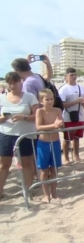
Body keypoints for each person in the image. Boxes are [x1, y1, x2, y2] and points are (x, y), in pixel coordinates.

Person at [0, 72, 39, 200]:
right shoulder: (2, 98)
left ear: (20, 82)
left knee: (27, 163)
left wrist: (24, 117)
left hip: (25, 134)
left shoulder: (29, 97)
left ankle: (28, 190)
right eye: (10, 83)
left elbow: (38, 116)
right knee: (4, 164)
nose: (12, 85)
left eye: (15, 82)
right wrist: (2, 118)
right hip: (6, 133)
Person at [35, 89, 64, 203]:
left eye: (52, 99)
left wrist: (61, 124)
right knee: (44, 171)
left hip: (56, 142)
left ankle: (54, 193)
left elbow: (61, 125)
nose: (50, 101)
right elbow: (38, 127)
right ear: (41, 101)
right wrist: (54, 125)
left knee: (54, 170)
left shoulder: (57, 110)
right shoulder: (40, 111)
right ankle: (46, 194)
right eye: (47, 99)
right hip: (43, 144)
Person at [59, 68, 84, 164]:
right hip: (68, 116)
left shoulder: (81, 88)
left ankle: (76, 156)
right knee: (67, 139)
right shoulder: (63, 89)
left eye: (75, 75)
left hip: (80, 115)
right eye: (71, 75)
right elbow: (62, 104)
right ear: (66, 77)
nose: (74, 77)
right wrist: (76, 101)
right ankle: (66, 158)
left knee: (77, 137)